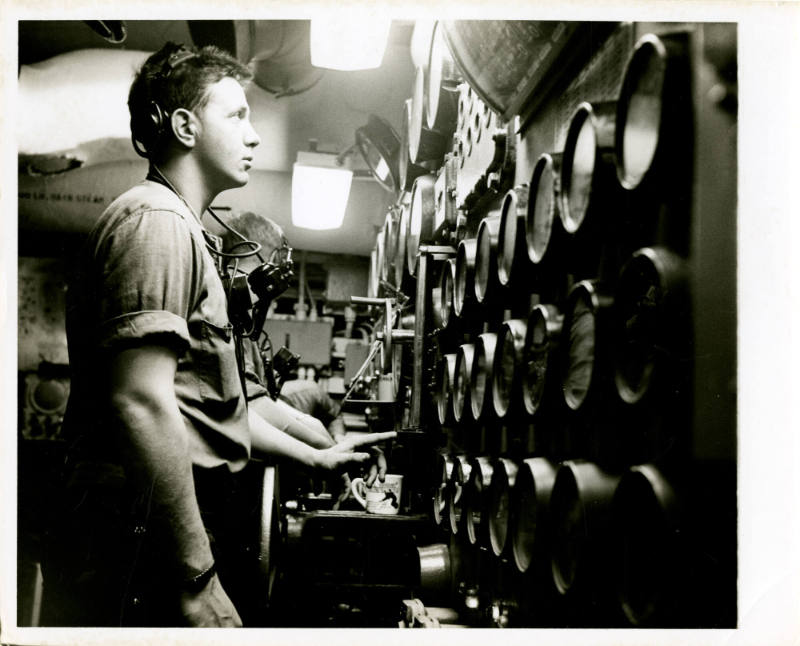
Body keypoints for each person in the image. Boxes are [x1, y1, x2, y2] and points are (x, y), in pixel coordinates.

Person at [42, 41, 394, 628]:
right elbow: (141, 402)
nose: (254, 135)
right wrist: (195, 579)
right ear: (184, 125)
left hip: (153, 525)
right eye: (236, 115)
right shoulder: (154, 221)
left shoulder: (182, 228)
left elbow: (214, 413)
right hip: (132, 534)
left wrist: (318, 455)